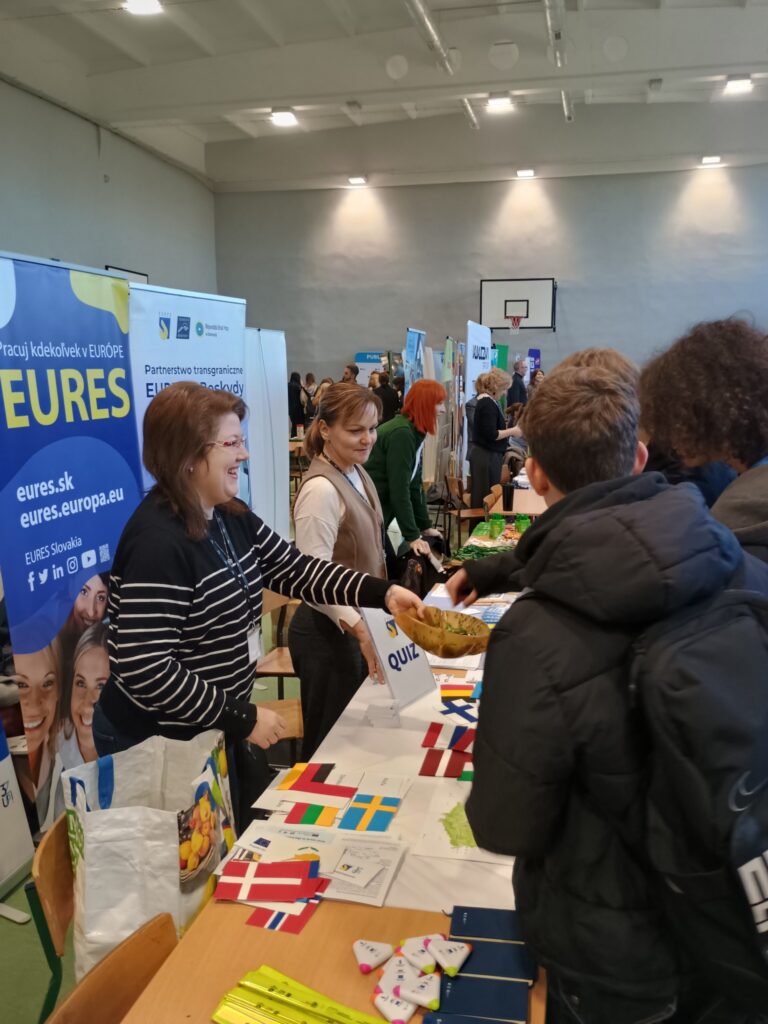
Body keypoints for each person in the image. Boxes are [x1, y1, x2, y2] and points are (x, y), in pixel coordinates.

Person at [450, 366, 768, 1023]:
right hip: (726, 916)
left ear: (535, 474)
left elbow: (505, 823)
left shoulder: (535, 636)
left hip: (613, 956)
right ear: (640, 456)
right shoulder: (733, 560)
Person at [93, 382, 424, 828]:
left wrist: (381, 593)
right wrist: (241, 716)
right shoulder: (157, 542)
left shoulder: (230, 514)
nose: (244, 454)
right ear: (186, 454)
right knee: (189, 860)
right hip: (162, 743)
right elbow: (145, 667)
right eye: (231, 443)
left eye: (242, 441)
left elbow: (297, 569)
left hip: (213, 727)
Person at [288, 384, 387, 757]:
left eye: (372, 428)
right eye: (355, 430)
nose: (367, 439)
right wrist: (360, 629)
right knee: (329, 748)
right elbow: (312, 579)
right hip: (327, 635)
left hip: (357, 629)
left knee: (355, 740)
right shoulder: (321, 491)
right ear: (325, 429)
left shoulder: (356, 472)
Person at [640, 319, 768, 561]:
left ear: (713, 412)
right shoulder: (741, 480)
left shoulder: (740, 511)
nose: (666, 435)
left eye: (675, 417)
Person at [366, 379, 446, 558]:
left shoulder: (412, 431)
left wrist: (424, 526)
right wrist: (412, 536)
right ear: (425, 404)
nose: (443, 409)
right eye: (439, 403)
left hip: (378, 512)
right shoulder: (402, 434)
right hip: (370, 514)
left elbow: (414, 484)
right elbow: (399, 489)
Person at [13, 639, 61, 821]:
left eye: (47, 683)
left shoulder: (65, 755)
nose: (34, 703)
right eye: (22, 685)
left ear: (59, 691)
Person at [59, 623, 108, 768]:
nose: (87, 703)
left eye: (101, 686)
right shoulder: (52, 743)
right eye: (80, 683)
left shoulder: (134, 749)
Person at [468, 368, 518, 509]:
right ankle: (482, 522)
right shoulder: (487, 404)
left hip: (488, 455)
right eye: (504, 389)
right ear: (496, 388)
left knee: (486, 493)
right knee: (485, 496)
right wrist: (513, 431)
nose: (505, 393)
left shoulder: (488, 403)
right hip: (486, 456)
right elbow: (492, 434)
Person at [288, 371, 305, 436]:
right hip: (298, 410)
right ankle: (299, 438)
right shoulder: (298, 387)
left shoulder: (287, 386)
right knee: (299, 426)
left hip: (291, 410)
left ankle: (293, 437)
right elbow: (303, 398)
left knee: (293, 424)